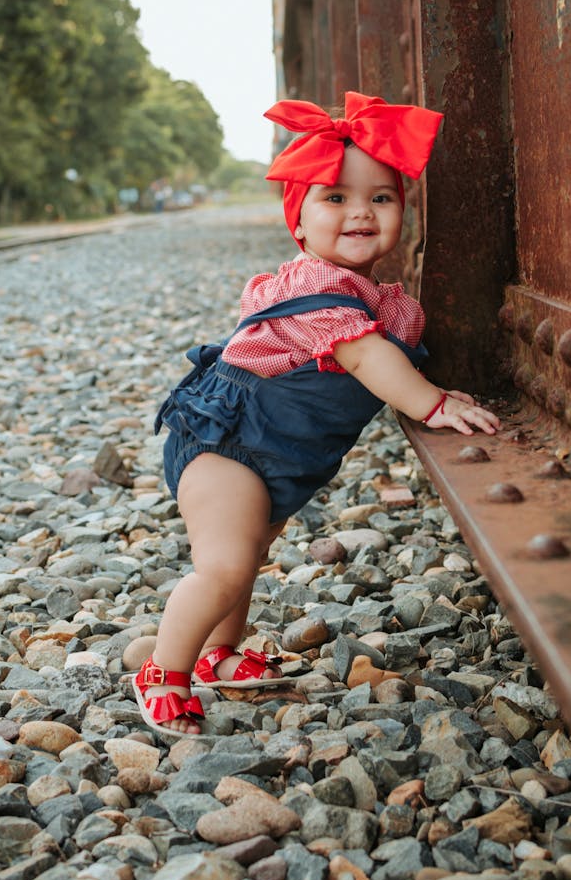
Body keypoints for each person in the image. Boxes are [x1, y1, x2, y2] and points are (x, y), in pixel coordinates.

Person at [124, 91, 501, 738]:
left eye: (381, 198)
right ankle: (163, 671)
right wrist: (431, 401)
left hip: (276, 451)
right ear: (298, 222)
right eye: (335, 198)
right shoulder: (317, 292)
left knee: (250, 552)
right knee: (225, 566)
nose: (360, 210)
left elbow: (381, 347)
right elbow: (368, 360)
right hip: (226, 444)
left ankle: (219, 653)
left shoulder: (371, 298)